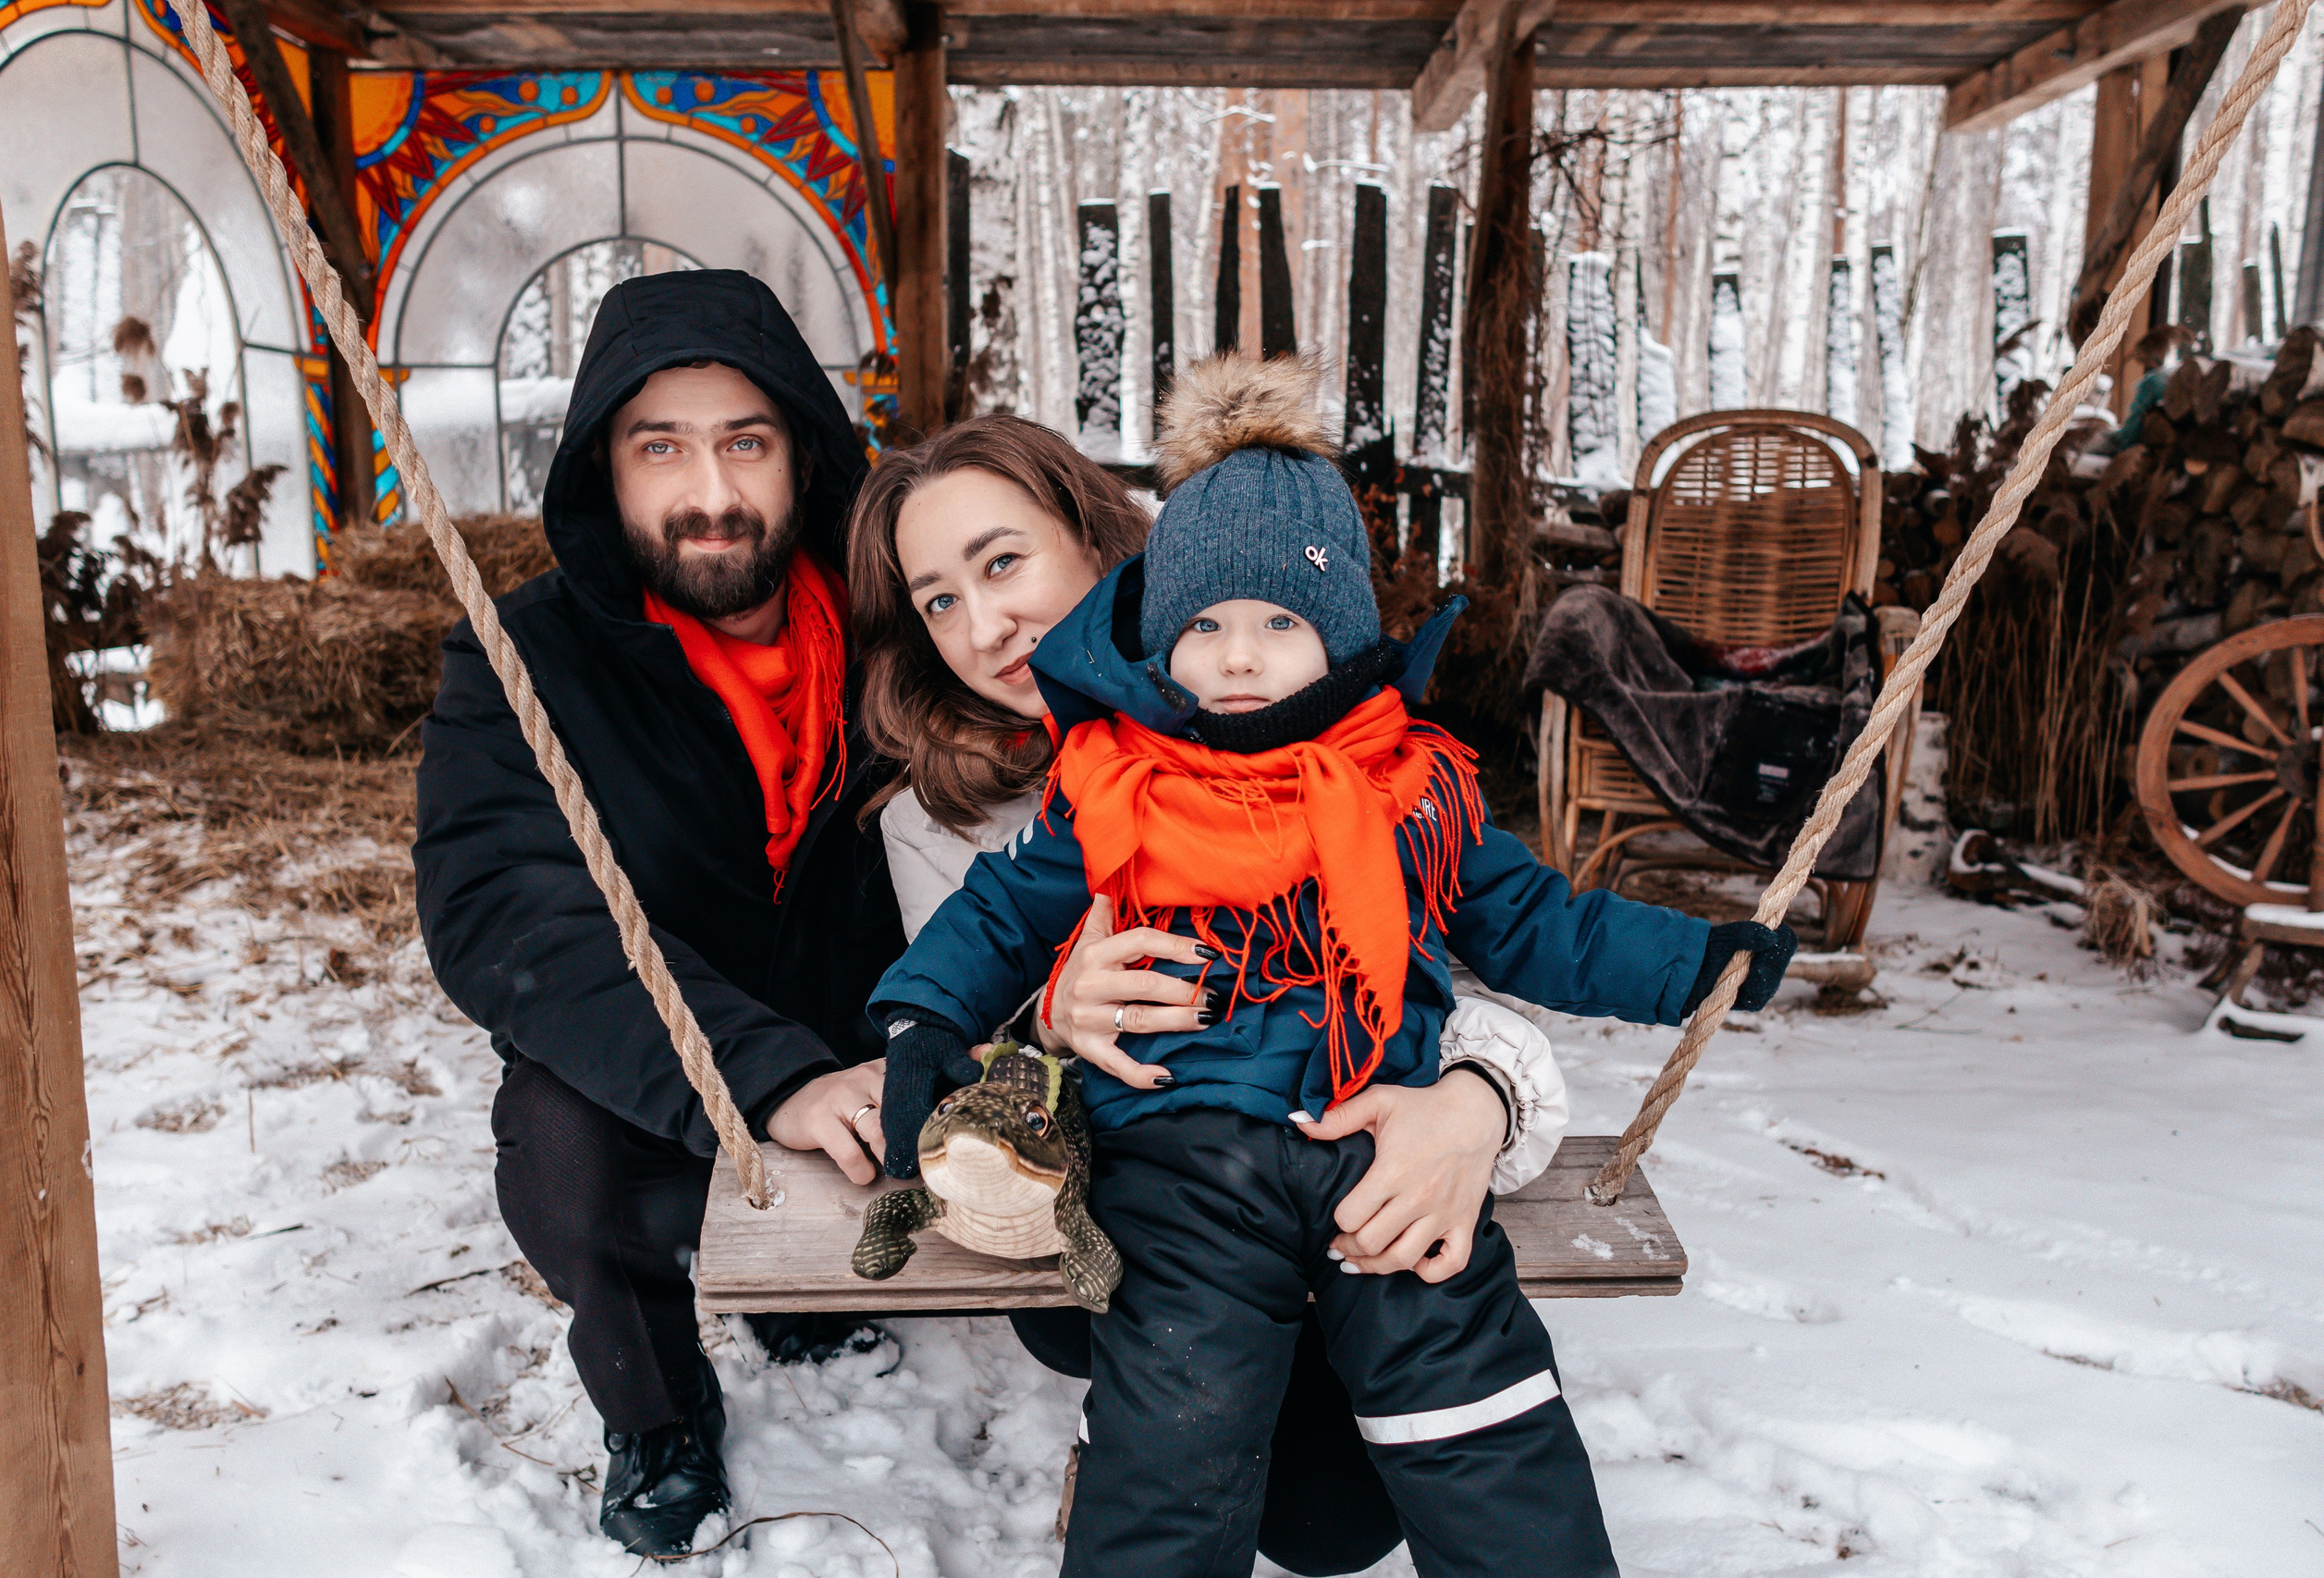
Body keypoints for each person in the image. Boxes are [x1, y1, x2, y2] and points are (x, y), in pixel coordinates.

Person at [867, 356, 1797, 1577]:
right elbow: (995, 915)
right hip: (1183, 1159)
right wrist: (927, 1025)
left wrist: (1697, 962)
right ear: (1159, 638)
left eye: (1279, 624)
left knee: (1470, 1389)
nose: (1238, 659)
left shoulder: (1413, 787)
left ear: (1342, 637)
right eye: (1204, 626)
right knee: (1177, 1419)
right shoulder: (1116, 782)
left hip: (1375, 1140)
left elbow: (1538, 923)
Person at [412, 270, 915, 1558]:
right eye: (660, 448)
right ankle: (657, 1408)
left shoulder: (909, 631)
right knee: (557, 1138)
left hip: (879, 1048)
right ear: (604, 467)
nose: (709, 492)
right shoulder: (521, 658)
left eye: (745, 442)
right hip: (667, 1066)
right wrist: (766, 1078)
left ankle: (804, 1284)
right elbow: (504, 914)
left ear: (804, 454)